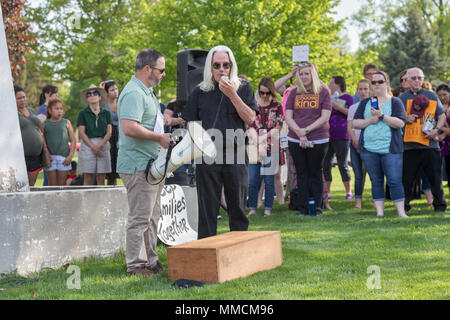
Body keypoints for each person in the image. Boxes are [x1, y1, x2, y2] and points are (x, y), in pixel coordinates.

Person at [181, 45, 258, 239]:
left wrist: (232, 94)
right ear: (210, 67)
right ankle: (206, 252)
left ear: (232, 66)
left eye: (226, 65)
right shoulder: (200, 91)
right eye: (217, 65)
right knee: (207, 208)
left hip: (236, 151)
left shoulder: (243, 87)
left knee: (238, 206)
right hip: (208, 154)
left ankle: (239, 247)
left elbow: (250, 118)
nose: (222, 69)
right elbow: (190, 121)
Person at [117, 48, 171, 277]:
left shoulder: (146, 92)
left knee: (152, 216)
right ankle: (136, 265)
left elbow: (149, 121)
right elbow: (129, 127)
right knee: (140, 217)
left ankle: (151, 260)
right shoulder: (134, 93)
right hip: (138, 165)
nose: (164, 74)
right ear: (148, 69)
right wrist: (159, 138)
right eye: (161, 69)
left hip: (149, 165)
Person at [353, 71, 408, 217]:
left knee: (394, 180)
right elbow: (355, 123)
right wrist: (370, 120)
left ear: (387, 83)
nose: (376, 84)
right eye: (373, 82)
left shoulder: (395, 102)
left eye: (380, 81)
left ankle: (401, 213)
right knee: (376, 181)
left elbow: (400, 123)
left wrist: (382, 116)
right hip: (369, 150)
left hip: (391, 149)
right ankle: (379, 213)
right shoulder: (365, 102)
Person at [285, 62, 332, 216]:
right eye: (301, 74)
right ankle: (303, 208)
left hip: (318, 138)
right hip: (295, 138)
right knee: (301, 173)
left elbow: (325, 116)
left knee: (315, 172)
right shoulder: (293, 93)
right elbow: (288, 116)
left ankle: (318, 208)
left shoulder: (323, 92)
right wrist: (299, 132)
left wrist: (306, 130)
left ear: (313, 74)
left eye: (307, 73)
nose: (304, 77)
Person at [399, 67, 447, 212]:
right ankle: (404, 207)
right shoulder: (402, 98)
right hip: (409, 146)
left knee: (436, 180)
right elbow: (395, 119)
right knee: (406, 180)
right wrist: (405, 118)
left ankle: (440, 207)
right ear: (407, 80)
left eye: (420, 78)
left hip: (430, 145)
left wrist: (436, 130)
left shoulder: (431, 95)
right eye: (414, 78)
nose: (417, 81)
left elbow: (442, 115)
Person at [247, 77, 284, 217]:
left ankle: (268, 208)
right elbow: (250, 125)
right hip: (254, 146)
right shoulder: (253, 105)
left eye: (267, 93)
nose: (264, 96)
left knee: (269, 180)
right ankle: (252, 207)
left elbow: (278, 127)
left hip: (271, 145)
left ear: (272, 92)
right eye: (261, 92)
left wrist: (262, 139)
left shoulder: (277, 106)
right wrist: (257, 142)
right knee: (252, 179)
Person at [323, 75, 354, 201]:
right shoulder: (328, 98)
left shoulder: (348, 98)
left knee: (342, 164)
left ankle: (348, 192)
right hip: (327, 135)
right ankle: (327, 192)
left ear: (337, 84)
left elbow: (351, 113)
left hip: (342, 134)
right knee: (326, 163)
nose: (329, 85)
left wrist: (338, 107)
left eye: (331, 83)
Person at [77, 84, 112, 186]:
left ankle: (101, 200)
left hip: (104, 144)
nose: (92, 95)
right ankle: (86, 200)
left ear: (100, 97)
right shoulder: (82, 113)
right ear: (87, 99)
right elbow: (82, 132)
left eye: (95, 93)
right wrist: (93, 147)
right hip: (88, 144)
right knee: (88, 175)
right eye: (89, 94)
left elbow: (109, 132)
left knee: (101, 176)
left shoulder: (106, 113)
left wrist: (99, 146)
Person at [14, 86, 45, 186]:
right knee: (21, 185)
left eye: (24, 97)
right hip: (21, 156)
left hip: (36, 155)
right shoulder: (12, 114)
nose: (22, 100)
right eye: (19, 98)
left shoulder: (30, 110)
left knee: (31, 186)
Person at [347, 79, 371, 209]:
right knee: (358, 174)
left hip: (369, 144)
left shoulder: (373, 106)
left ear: (370, 90)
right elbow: (350, 126)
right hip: (355, 143)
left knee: (373, 173)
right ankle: (358, 203)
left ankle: (376, 201)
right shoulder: (353, 108)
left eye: (365, 89)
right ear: (357, 91)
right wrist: (354, 141)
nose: (363, 92)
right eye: (360, 89)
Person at [44, 99, 77, 186]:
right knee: (52, 185)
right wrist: (47, 154)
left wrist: (70, 156)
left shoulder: (66, 122)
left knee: (61, 185)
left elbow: (73, 140)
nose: (59, 111)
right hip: (50, 158)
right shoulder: (45, 123)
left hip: (64, 158)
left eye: (61, 109)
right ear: (50, 110)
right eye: (56, 108)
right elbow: (42, 141)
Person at [101, 80, 120, 185]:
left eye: (116, 89)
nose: (115, 91)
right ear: (107, 92)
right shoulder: (103, 104)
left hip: (120, 136)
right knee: (107, 169)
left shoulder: (121, 103)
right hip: (108, 136)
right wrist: (100, 88)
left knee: (116, 170)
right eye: (112, 90)